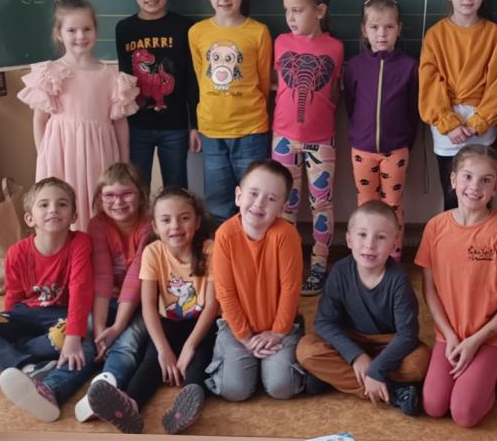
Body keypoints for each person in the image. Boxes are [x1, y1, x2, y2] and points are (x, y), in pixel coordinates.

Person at [0, 178, 95, 422]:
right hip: (27, 313)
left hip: (61, 317)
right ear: (30, 219)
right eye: (44, 205)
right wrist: (9, 329)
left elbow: (80, 290)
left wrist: (73, 338)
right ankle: (28, 368)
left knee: (73, 339)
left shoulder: (80, 243)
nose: (53, 209)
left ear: (74, 216)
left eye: (62, 204)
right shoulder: (16, 252)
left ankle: (6, 352)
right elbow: (13, 298)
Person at [88, 189, 219, 435]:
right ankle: (130, 405)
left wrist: (189, 347)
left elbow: (213, 305)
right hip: (168, 321)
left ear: (197, 222)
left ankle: (185, 407)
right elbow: (148, 305)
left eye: (184, 218)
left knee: (199, 361)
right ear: (156, 227)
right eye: (166, 220)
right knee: (151, 362)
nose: (175, 226)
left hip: (203, 322)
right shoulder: (152, 252)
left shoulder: (210, 249)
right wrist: (163, 350)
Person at [417, 145, 497, 427]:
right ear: (453, 180)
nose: (474, 187)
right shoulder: (434, 227)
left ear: (496, 188)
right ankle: (475, 376)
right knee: (433, 406)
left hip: (489, 337)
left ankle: (491, 374)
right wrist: (449, 335)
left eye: (485, 180)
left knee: (464, 414)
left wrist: (476, 340)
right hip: (449, 336)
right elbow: (429, 289)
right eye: (467, 177)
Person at [18, 0, 139, 232]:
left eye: (87, 29)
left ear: (95, 30)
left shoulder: (111, 75)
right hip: (61, 151)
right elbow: (40, 120)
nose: (80, 36)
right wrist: (44, 156)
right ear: (59, 33)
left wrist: (124, 162)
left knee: (96, 206)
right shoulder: (51, 73)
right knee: (62, 206)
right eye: (72, 30)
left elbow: (120, 123)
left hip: (99, 152)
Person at [296, 200, 428, 416]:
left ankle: (336, 379)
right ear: (349, 239)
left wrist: (376, 368)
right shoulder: (340, 271)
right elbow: (324, 322)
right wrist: (357, 356)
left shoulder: (399, 279)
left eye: (381, 237)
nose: (370, 245)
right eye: (362, 235)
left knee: (418, 364)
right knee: (306, 351)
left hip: (387, 343)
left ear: (394, 243)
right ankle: (395, 393)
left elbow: (407, 335)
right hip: (349, 338)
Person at [203, 160, 307, 401]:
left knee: (281, 387)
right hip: (237, 328)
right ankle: (252, 363)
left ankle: (267, 365)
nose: (259, 203)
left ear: (282, 207)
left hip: (280, 326)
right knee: (234, 390)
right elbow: (225, 292)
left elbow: (291, 288)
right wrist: (246, 338)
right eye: (253, 193)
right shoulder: (225, 235)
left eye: (271, 199)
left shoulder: (286, 235)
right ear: (238, 196)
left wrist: (278, 332)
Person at [418, 0, 497, 210]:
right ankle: (452, 239)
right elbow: (429, 82)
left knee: (482, 194)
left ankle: (481, 237)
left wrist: (479, 121)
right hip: (447, 127)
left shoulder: (493, 35)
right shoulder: (435, 35)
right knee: (452, 196)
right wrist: (448, 122)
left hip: (481, 125)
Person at [271, 0, 344, 295]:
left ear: (320, 11)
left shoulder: (336, 48)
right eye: (287, 10)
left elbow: (336, 93)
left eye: (298, 10)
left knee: (321, 203)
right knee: (285, 203)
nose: (291, 17)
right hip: (283, 138)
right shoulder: (280, 43)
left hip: (321, 139)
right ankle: (286, 261)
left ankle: (319, 264)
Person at [189, 0, 273, 225]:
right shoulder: (197, 33)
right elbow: (200, 79)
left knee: (255, 198)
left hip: (251, 129)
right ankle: (222, 248)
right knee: (217, 201)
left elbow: (263, 82)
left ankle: (253, 247)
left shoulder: (258, 32)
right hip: (212, 130)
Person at [75, 163, 152, 422]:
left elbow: (135, 279)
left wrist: (116, 327)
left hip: (141, 301)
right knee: (85, 331)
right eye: (109, 195)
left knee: (127, 341)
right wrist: (100, 327)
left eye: (126, 194)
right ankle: (56, 379)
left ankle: (107, 385)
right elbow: (102, 275)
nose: (118, 202)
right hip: (108, 298)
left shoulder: (149, 225)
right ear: (100, 198)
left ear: (141, 195)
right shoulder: (97, 224)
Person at [114, 0, 199, 190]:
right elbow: (124, 79)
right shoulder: (124, 29)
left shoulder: (185, 27)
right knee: (137, 188)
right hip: (136, 126)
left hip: (175, 126)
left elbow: (192, 81)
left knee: (176, 188)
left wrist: (195, 125)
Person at [344, 0, 419, 262]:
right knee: (365, 204)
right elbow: (350, 103)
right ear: (364, 30)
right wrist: (359, 134)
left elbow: (413, 109)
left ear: (399, 28)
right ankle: (364, 255)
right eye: (374, 27)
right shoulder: (354, 66)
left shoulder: (409, 67)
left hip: (396, 150)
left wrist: (405, 142)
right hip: (362, 149)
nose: (382, 34)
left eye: (389, 27)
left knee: (393, 205)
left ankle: (393, 256)